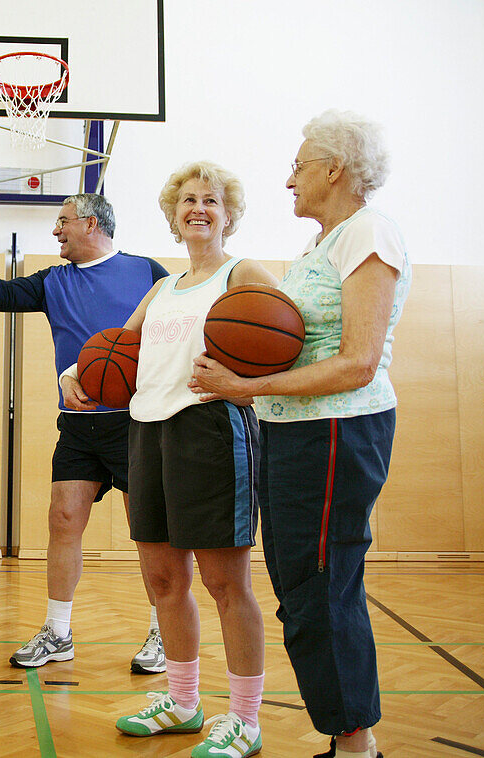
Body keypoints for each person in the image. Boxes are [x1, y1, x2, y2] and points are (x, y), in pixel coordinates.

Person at [189, 111, 410, 758]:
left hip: (339, 431)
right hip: (293, 433)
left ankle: (356, 745)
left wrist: (244, 388)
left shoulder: (369, 232)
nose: (290, 179)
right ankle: (348, 739)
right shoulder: (321, 244)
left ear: (334, 169)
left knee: (322, 584)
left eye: (299, 165)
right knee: (299, 587)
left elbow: (357, 362)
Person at [0, 193, 169, 672]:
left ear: (90, 222)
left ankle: (163, 632)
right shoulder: (52, 281)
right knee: (63, 520)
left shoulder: (149, 273)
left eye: (62, 221)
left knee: (147, 532)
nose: (56, 231)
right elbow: (0, 295)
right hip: (79, 426)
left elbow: (178, 332)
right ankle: (58, 632)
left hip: (136, 423)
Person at [95, 163, 277, 758]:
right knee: (164, 580)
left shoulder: (241, 274)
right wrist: (77, 373)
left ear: (228, 214)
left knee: (226, 583)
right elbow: (120, 350)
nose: (199, 208)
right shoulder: (164, 286)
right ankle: (182, 703)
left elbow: (289, 335)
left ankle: (245, 719)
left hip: (209, 429)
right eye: (189, 200)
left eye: (212, 201)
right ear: (174, 215)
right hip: (146, 431)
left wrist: (243, 382)